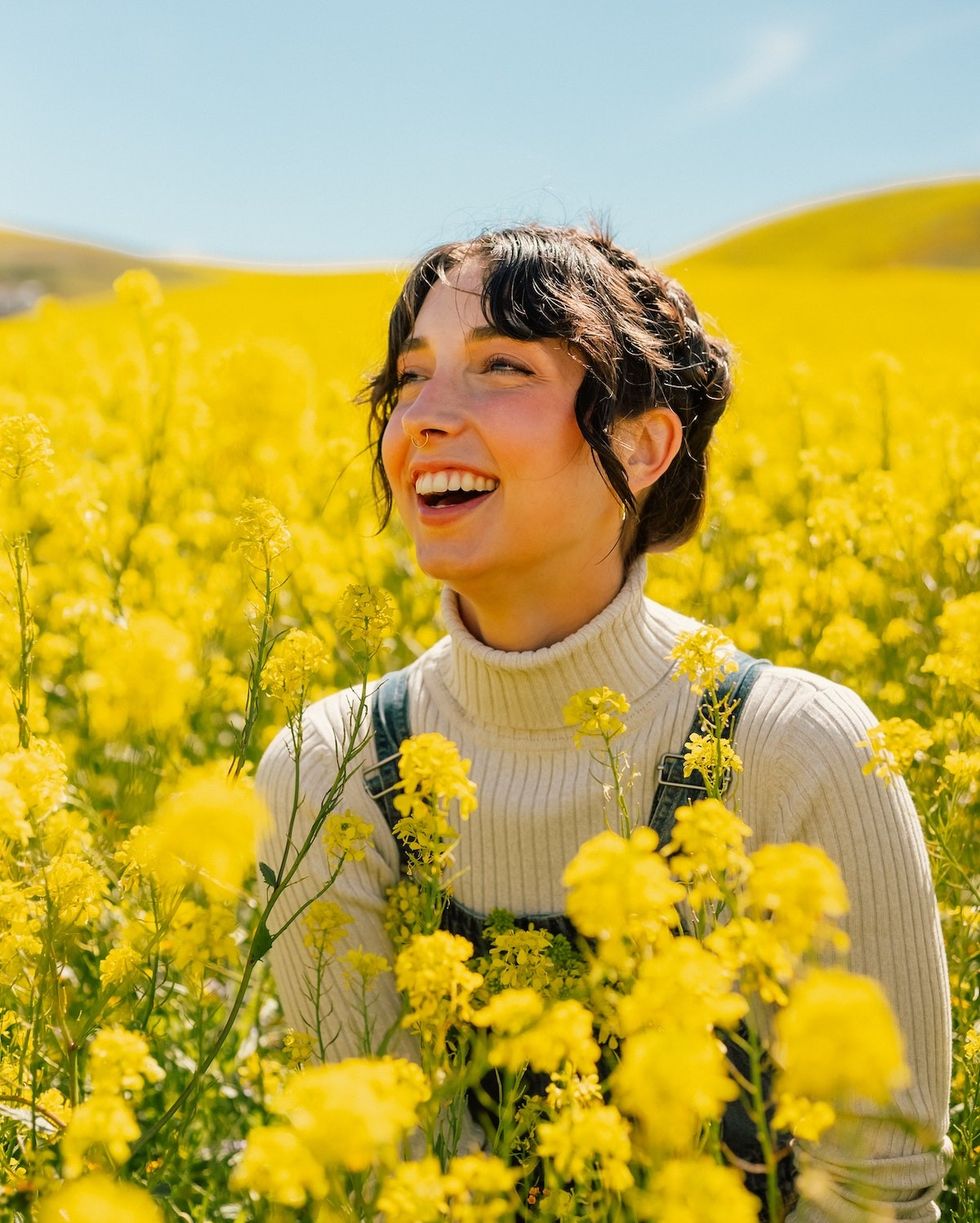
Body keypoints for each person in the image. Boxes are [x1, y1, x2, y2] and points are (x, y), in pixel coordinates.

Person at [256, 224, 951, 1220]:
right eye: (407, 380)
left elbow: (876, 1192)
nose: (424, 418)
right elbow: (384, 1178)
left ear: (640, 442)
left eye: (500, 366)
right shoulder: (329, 769)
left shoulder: (798, 750)